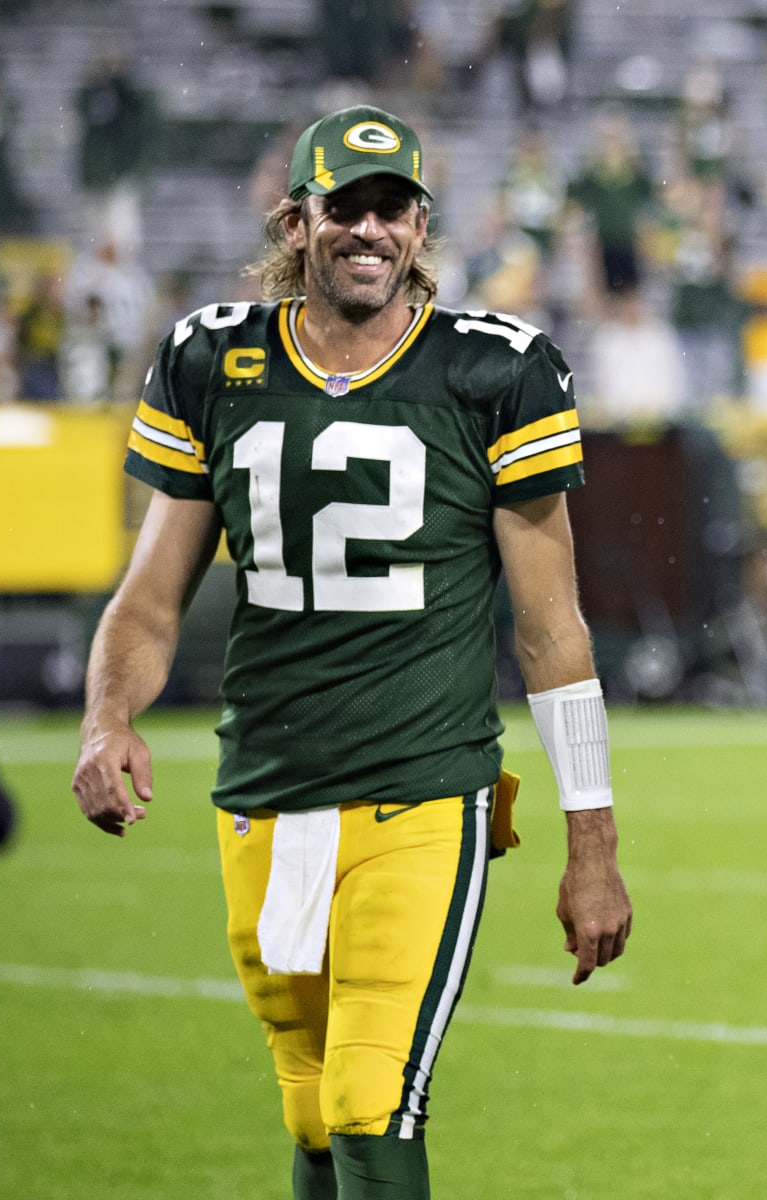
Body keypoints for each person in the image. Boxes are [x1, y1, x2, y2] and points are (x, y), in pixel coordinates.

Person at [70, 104, 632, 1200]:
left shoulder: (494, 371)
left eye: (394, 208)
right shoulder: (213, 357)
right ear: (297, 219)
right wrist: (108, 716)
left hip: (420, 797)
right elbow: (149, 599)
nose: (370, 231)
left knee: (374, 1104)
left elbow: (552, 628)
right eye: (347, 208)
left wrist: (592, 840)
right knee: (315, 1111)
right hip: (264, 797)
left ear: (421, 227)